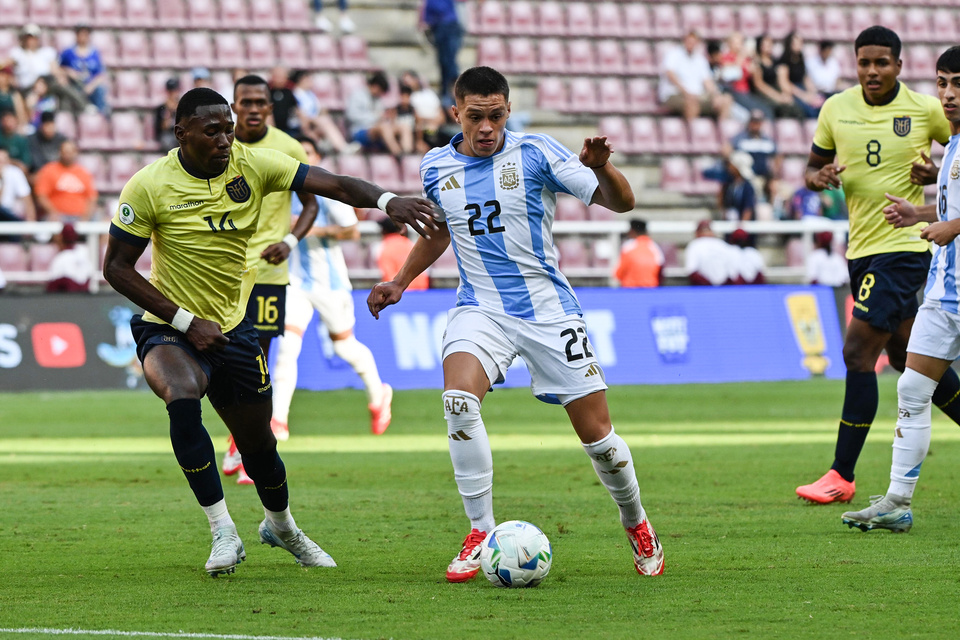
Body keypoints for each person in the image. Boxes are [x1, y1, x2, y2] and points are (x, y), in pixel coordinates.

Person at [101, 87, 436, 577]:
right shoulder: (149, 185)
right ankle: (222, 531)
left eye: (228, 129)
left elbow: (334, 185)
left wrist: (388, 200)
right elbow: (116, 267)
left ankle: (281, 526)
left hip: (233, 328)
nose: (223, 139)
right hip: (170, 326)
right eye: (211, 130)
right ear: (181, 133)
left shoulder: (255, 164)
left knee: (259, 446)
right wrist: (184, 322)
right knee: (181, 393)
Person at [367, 66, 664, 580]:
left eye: (497, 115)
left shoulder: (537, 152)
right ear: (455, 112)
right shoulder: (436, 165)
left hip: (549, 311)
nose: (487, 127)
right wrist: (401, 280)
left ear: (508, 110)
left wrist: (602, 168)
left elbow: (623, 203)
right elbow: (440, 231)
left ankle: (636, 522)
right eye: (476, 116)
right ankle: (481, 530)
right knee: (458, 401)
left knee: (599, 438)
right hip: (480, 308)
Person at [795, 27, 960, 505]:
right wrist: (818, 177)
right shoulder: (835, 109)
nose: (872, 71)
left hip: (905, 247)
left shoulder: (927, 108)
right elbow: (811, 168)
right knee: (911, 361)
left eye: (882, 63)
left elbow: (954, 162)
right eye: (865, 62)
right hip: (860, 248)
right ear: (855, 63)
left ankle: (840, 475)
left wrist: (935, 173)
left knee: (856, 353)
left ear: (899, 66)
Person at [840, 47, 960, 532]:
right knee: (912, 387)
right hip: (946, 292)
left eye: (958, 85)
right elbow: (950, 209)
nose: (949, 95)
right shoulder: (951, 146)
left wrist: (953, 227)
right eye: (943, 83)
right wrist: (922, 215)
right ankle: (897, 501)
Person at [221, 74, 319, 485]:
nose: (255, 108)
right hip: (224, 271)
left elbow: (311, 203)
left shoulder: (287, 147)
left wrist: (291, 241)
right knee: (224, 364)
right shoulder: (219, 144)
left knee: (255, 362)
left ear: (270, 106)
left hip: (269, 271)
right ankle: (235, 439)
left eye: (262, 101)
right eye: (247, 102)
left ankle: (251, 450)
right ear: (235, 106)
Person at [270, 137, 394, 441]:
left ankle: (379, 395)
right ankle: (278, 421)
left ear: (317, 155)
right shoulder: (281, 191)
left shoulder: (326, 193)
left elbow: (352, 230)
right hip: (295, 283)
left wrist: (310, 229)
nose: (301, 157)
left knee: (344, 346)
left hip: (331, 284)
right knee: (287, 348)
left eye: (307, 152)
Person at [5, 24, 86, 115]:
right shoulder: (17, 53)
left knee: (64, 86)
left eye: (33, 37)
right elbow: (5, 64)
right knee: (30, 102)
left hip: (47, 84)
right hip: (28, 88)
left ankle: (82, 106)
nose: (30, 41)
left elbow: (55, 70)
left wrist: (62, 75)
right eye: (28, 37)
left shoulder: (46, 52)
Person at [659, 31, 732, 122]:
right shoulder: (674, 55)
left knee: (726, 100)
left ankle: (721, 132)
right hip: (675, 94)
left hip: (697, 96)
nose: (691, 44)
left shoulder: (700, 59)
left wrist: (715, 95)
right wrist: (686, 93)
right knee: (692, 104)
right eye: (689, 41)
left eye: (694, 42)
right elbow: (670, 75)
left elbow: (707, 81)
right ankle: (692, 133)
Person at [289, 69, 354, 155]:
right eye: (308, 78)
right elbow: (300, 113)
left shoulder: (309, 94)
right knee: (324, 121)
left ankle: (328, 146)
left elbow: (316, 109)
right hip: (300, 122)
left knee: (325, 120)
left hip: (314, 122)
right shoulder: (295, 94)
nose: (311, 81)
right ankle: (342, 147)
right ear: (302, 79)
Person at [345, 71, 407, 156]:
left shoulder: (378, 100)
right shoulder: (357, 95)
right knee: (384, 127)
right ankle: (399, 154)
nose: (380, 94)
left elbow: (380, 117)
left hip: (377, 131)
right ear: (375, 86)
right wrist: (376, 118)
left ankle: (408, 153)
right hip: (360, 131)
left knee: (403, 126)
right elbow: (351, 115)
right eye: (380, 91)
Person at [33, 140, 97, 223]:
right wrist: (52, 212)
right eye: (65, 152)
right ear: (60, 152)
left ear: (75, 153)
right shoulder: (48, 170)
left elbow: (92, 198)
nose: (67, 155)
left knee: (105, 223)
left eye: (70, 152)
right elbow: (41, 196)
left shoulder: (84, 172)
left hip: (81, 216)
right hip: (58, 216)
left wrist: (86, 216)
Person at [728, 110, 781, 204]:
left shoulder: (767, 140)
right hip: (748, 177)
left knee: (778, 189)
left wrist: (774, 173)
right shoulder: (741, 138)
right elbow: (727, 149)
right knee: (752, 190)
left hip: (765, 177)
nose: (755, 124)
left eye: (758, 121)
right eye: (753, 121)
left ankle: (774, 212)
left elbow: (778, 155)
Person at [58, 25, 110, 116]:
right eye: (81, 34)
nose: (83, 37)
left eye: (85, 34)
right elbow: (58, 68)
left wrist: (91, 86)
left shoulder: (95, 53)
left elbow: (100, 74)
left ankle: (100, 117)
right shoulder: (68, 52)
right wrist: (68, 72)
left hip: (90, 85)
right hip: (74, 84)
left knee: (101, 89)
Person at [751, 34, 805, 119]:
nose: (770, 46)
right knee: (782, 110)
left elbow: (782, 81)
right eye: (767, 44)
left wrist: (785, 94)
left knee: (797, 109)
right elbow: (759, 84)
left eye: (771, 44)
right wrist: (777, 96)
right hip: (764, 95)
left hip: (777, 92)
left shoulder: (776, 62)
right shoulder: (757, 63)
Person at [420, 0, 463, 102]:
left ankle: (453, 91)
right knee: (444, 62)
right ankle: (447, 92)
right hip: (442, 27)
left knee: (448, 62)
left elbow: (437, 10)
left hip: (447, 27)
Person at [776, 32, 822, 119]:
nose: (799, 45)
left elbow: (805, 77)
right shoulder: (784, 61)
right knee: (809, 111)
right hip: (792, 92)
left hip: (802, 88)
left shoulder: (800, 58)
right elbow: (784, 83)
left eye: (800, 42)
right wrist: (803, 95)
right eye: (796, 42)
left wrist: (812, 92)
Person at [375, 216, 429, 290]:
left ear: (384, 230)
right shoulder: (410, 244)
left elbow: (388, 274)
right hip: (421, 287)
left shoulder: (384, 247)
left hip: (400, 290)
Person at [685, 219, 737, 286]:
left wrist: (709, 286)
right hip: (724, 288)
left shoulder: (694, 245)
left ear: (697, 232)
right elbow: (733, 273)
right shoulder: (722, 244)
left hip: (704, 290)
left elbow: (691, 270)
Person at [614, 219, 663, 288]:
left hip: (630, 289)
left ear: (632, 231)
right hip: (650, 289)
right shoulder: (654, 247)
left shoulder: (628, 247)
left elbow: (619, 273)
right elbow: (660, 273)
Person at [46, 222, 91, 292]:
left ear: (62, 238)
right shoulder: (84, 251)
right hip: (84, 297)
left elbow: (52, 287)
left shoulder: (60, 259)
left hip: (68, 299)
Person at [720, 152, 757, 221]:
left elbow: (748, 208)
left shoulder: (747, 186)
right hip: (730, 222)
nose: (729, 167)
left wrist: (741, 227)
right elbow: (723, 204)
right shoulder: (728, 184)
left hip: (742, 225)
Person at [0, 148, 34, 223]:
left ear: (8, 161)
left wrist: (31, 219)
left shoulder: (15, 172)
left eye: (3, 161)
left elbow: (26, 197)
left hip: (11, 216)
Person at [154, 77, 181, 151]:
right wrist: (168, 112)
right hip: (167, 134)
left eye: (174, 91)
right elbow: (160, 128)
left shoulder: (182, 107)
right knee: (168, 142)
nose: (172, 94)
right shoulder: (162, 108)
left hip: (178, 134)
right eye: (170, 91)